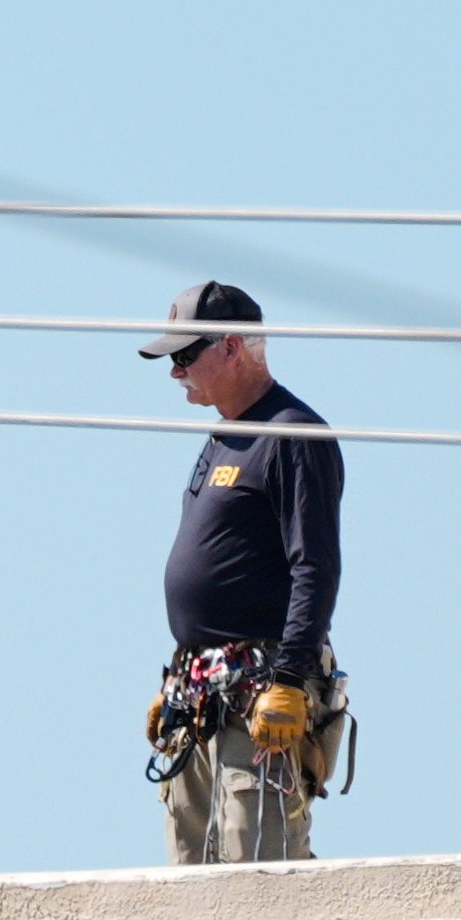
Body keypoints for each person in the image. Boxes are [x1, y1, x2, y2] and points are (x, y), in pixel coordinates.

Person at [139, 282, 347, 865]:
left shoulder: (291, 435)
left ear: (232, 347)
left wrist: (289, 678)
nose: (175, 372)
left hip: (259, 691)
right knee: (193, 871)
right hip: (205, 694)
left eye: (184, 356)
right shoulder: (225, 439)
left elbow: (316, 566)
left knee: (257, 863)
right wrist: (179, 677)